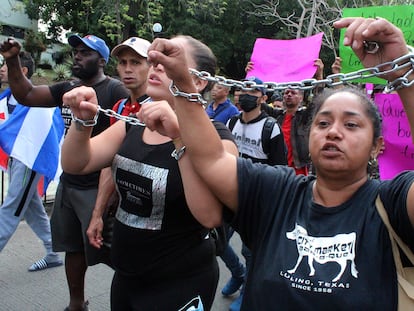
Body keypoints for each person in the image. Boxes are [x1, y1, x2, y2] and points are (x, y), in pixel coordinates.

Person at [144, 17, 414, 310]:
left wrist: (405, 72)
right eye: (323, 123)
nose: (333, 131)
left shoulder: (392, 204)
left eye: (351, 124)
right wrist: (183, 84)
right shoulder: (275, 191)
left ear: (377, 146)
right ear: (309, 136)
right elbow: (212, 158)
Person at [60, 35, 238, 311]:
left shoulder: (218, 138)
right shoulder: (135, 122)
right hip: (127, 276)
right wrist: (83, 122)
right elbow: (77, 163)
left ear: (199, 81)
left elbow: (210, 216)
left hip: (180, 283)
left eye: (168, 61)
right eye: (154, 60)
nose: (155, 66)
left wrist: (179, 136)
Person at [0, 34, 129, 311]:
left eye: (86, 52)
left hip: (101, 188)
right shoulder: (70, 88)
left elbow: (128, 138)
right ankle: (76, 305)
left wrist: (116, 190)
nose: (78, 56)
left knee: (118, 255)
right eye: (76, 52)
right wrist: (12, 60)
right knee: (73, 248)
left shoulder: (116, 91)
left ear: (102, 61)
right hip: (70, 184)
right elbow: (26, 94)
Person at [224, 76, 288, 311]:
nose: (244, 94)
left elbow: (280, 169)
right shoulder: (231, 123)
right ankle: (237, 272)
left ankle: (247, 288)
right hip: (230, 192)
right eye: (242, 89)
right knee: (218, 242)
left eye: (251, 90)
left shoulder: (271, 128)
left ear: (263, 97)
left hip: (257, 198)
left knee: (250, 250)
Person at [86, 37, 151, 250]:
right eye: (123, 63)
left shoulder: (161, 109)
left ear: (152, 67)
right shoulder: (119, 107)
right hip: (123, 210)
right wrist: (98, 213)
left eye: (136, 62)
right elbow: (108, 162)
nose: (127, 69)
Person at [0, 51, 63, 271]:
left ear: (22, 70)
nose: (1, 69)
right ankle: (53, 252)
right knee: (31, 208)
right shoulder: (5, 98)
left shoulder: (37, 99)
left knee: (11, 208)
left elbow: (50, 132)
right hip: (15, 161)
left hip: (29, 161)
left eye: (6, 65)